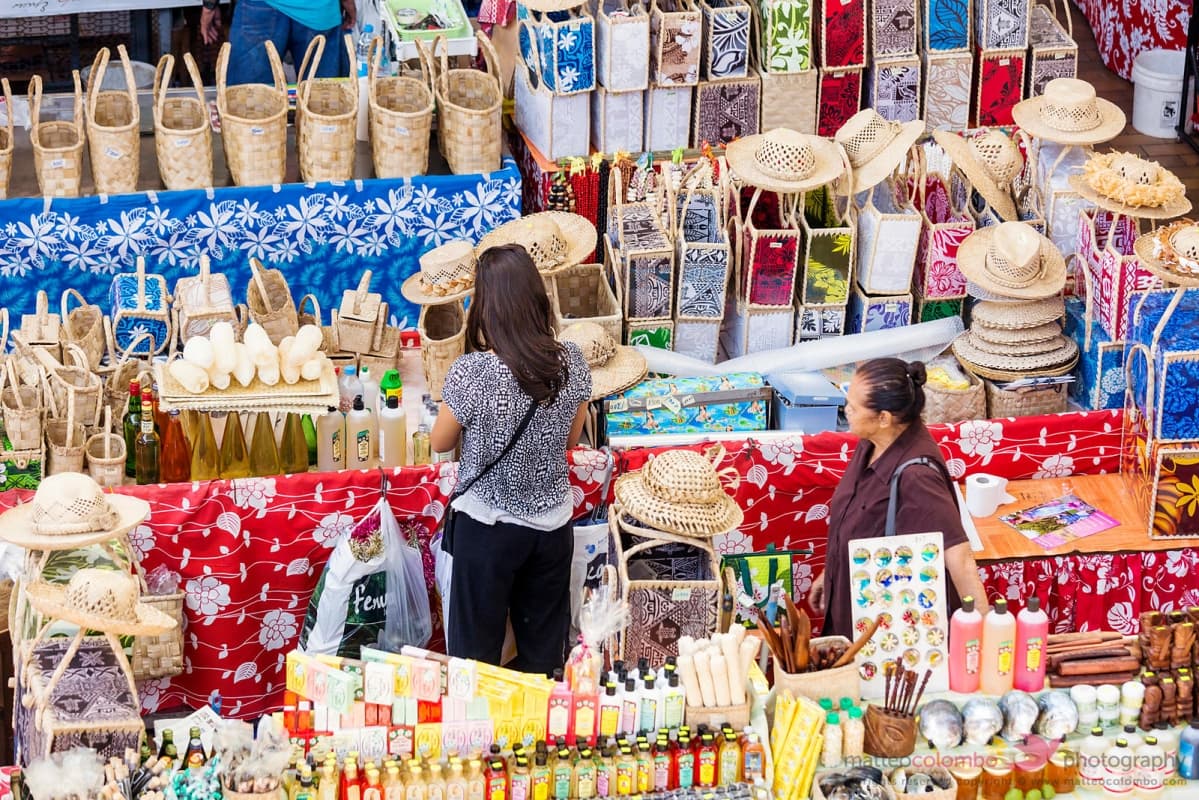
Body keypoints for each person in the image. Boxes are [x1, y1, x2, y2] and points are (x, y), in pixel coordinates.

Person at [431, 244, 592, 674]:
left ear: (487, 308)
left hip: (486, 530)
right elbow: (572, 436)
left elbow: (441, 440)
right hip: (551, 529)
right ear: (537, 300)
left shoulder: (472, 371)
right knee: (542, 661)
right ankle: (536, 732)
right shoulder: (571, 362)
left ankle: (478, 740)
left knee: (474, 664)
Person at [810, 358, 989, 638]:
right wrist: (831, 571)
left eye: (854, 408)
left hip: (886, 632)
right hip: (853, 605)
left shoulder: (917, 475)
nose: (847, 410)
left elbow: (961, 560)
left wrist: (981, 641)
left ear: (884, 418)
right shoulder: (872, 442)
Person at [200, 0, 355, 85]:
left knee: (250, 104)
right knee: (324, 107)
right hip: (319, 9)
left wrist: (209, 6)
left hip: (259, 8)